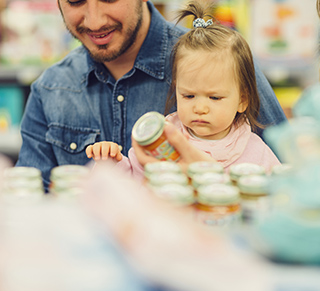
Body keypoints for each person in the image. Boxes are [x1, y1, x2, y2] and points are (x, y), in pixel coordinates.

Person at [16, 0, 286, 191]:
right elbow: (30, 204)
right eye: (75, 1)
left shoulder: (218, 62)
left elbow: (293, 185)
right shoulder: (50, 89)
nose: (95, 20)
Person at [86, 1, 281, 180]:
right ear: (176, 89)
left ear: (242, 100)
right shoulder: (163, 140)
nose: (200, 108)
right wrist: (111, 163)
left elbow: (282, 196)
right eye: (188, 95)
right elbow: (134, 182)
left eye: (214, 97)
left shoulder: (255, 152)